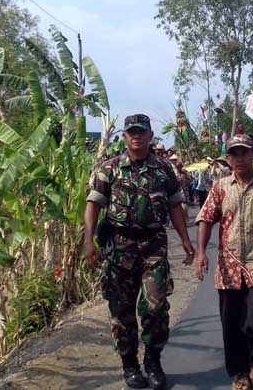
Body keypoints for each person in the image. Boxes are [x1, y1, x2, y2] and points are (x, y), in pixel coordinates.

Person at [84, 114, 196, 390]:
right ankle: (130, 365)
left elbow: (174, 206)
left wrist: (185, 240)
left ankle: (153, 361)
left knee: (156, 308)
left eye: (141, 131)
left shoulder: (163, 170)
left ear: (149, 136)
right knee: (121, 313)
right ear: (124, 136)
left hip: (153, 247)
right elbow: (93, 204)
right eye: (131, 131)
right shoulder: (109, 169)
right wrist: (88, 241)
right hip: (120, 248)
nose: (136, 136)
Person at [194, 135, 253, 390]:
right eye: (234, 153)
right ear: (228, 158)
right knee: (231, 323)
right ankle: (239, 371)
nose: (240, 158)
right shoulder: (220, 187)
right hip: (229, 267)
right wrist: (201, 252)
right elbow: (206, 218)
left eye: (244, 152)